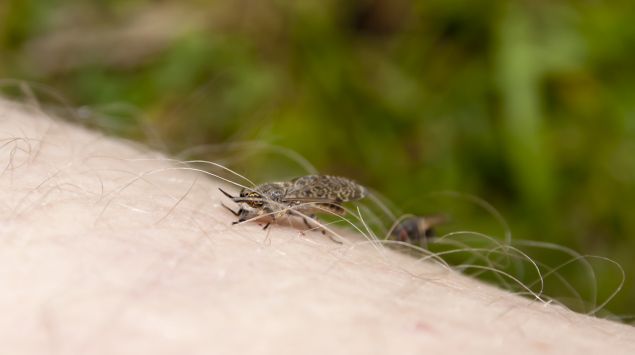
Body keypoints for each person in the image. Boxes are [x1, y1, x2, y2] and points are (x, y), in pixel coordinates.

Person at [1, 99, 634, 354]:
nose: (250, 212)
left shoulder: (295, 204)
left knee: (306, 210)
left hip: (327, 196)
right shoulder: (266, 200)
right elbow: (271, 204)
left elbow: (300, 210)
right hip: (320, 195)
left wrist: (322, 228)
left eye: (252, 209)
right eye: (250, 209)